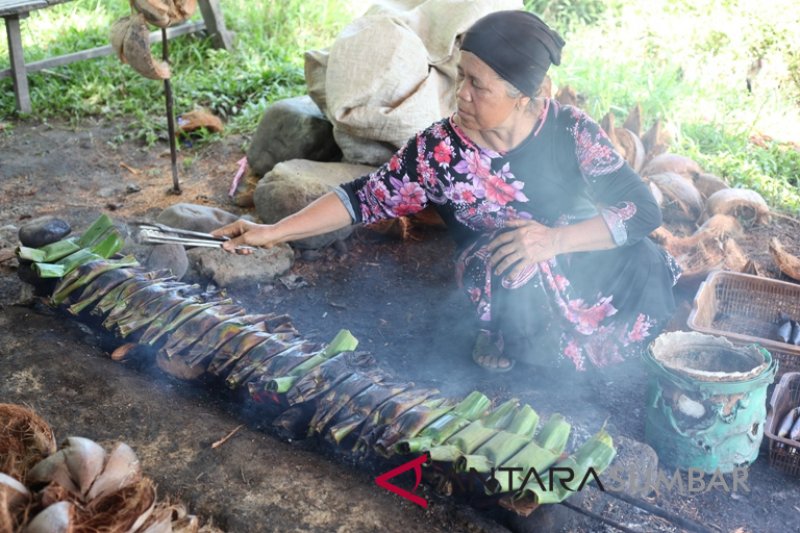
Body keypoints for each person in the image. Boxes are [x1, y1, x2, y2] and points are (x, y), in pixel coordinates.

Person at [212, 10, 681, 373]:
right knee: (516, 272)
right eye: (461, 76)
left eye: (478, 84)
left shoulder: (569, 130)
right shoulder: (441, 149)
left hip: (571, 253)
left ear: (526, 96)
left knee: (640, 256)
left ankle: (608, 353)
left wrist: (555, 240)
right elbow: (361, 197)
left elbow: (642, 210)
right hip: (502, 272)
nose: (462, 94)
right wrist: (272, 231)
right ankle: (523, 348)